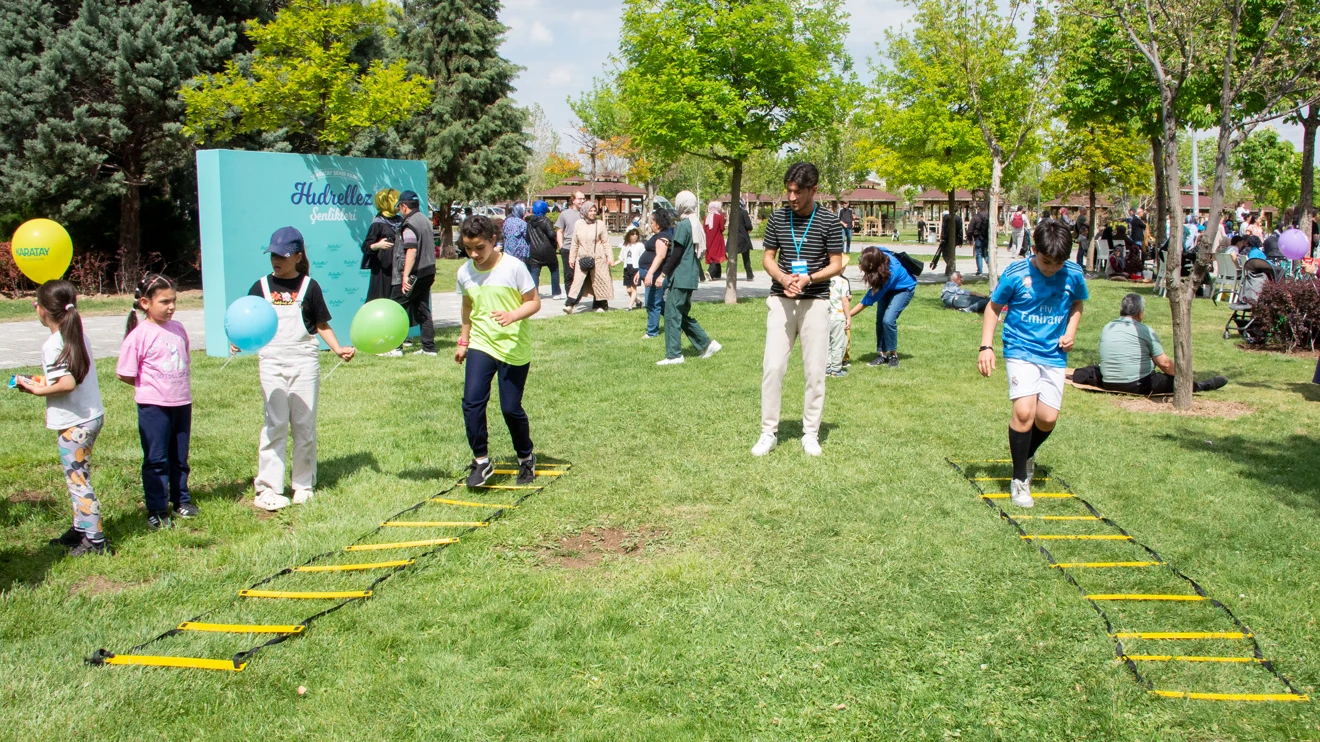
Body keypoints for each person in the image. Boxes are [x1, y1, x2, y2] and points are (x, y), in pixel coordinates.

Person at [241, 227, 356, 511]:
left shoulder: (310, 287)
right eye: (273, 255)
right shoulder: (260, 287)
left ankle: (303, 485)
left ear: (298, 257)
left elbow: (320, 325)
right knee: (275, 423)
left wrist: (338, 348)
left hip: (304, 360)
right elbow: (248, 322)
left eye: (283, 255)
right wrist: (238, 341)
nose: (276, 260)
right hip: (271, 361)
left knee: (304, 424)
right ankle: (268, 488)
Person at [978, 220, 1088, 508]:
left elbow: (1077, 304)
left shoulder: (1074, 274)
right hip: (1020, 349)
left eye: (1058, 263)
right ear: (1035, 249)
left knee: (1047, 419)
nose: (1052, 268)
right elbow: (993, 307)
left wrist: (1071, 332)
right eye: (1046, 261)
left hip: (1053, 353)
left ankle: (1025, 453)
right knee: (1024, 411)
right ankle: (1019, 480)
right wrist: (986, 346)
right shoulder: (1016, 273)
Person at [753, 162, 844, 457]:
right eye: (788, 190)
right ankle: (768, 433)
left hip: (815, 301)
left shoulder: (829, 222)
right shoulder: (778, 218)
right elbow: (768, 258)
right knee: (773, 367)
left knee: (815, 372)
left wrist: (809, 278)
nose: (791, 197)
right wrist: (782, 277)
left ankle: (810, 433)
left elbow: (837, 263)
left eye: (798, 192)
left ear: (813, 190)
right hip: (781, 300)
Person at [16, 280, 107, 556]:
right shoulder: (77, 336)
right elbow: (71, 376)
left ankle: (95, 540)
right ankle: (80, 529)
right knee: (78, 475)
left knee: (78, 480)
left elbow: (66, 383)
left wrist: (36, 389)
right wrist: (44, 381)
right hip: (90, 417)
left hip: (73, 423)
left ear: (40, 310)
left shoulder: (54, 344)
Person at [455, 214, 542, 487]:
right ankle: (481, 461)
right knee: (471, 403)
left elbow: (534, 302)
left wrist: (513, 315)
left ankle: (526, 457)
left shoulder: (513, 267)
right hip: (482, 343)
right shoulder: (464, 272)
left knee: (510, 408)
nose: (473, 254)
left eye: (479, 247)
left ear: (494, 240)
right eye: (468, 248)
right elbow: (468, 306)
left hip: (513, 345)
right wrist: (463, 340)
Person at [117, 274, 195, 529]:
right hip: (153, 407)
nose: (171, 306)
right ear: (145, 303)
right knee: (156, 458)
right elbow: (126, 373)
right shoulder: (140, 335)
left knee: (179, 457)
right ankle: (157, 508)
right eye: (164, 301)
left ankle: (181, 500)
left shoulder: (178, 328)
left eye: (174, 300)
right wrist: (152, 388)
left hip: (181, 403)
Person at [1079, 293, 1227, 396]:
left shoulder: (1107, 327)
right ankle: (1201, 386)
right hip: (1137, 384)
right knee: (1171, 380)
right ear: (1140, 312)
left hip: (1109, 382)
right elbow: (1164, 364)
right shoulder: (1145, 331)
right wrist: (1184, 376)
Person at [656, 191, 721, 365]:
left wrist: (663, 274)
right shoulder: (696, 224)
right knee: (681, 314)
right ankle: (707, 344)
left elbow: (676, 254)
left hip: (681, 275)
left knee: (671, 314)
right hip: (690, 275)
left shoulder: (684, 225)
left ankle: (674, 355)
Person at [850, 245, 917, 367]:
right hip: (888, 287)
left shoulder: (891, 271)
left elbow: (867, 300)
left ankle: (893, 356)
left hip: (904, 289)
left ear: (872, 264)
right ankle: (882, 355)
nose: (861, 264)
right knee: (880, 320)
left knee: (888, 320)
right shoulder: (879, 254)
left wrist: (848, 315)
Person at [389, 190, 437, 357]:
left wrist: (404, 277)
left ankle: (395, 347)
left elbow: (411, 250)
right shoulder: (424, 219)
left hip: (414, 274)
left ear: (404, 206)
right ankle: (429, 347)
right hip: (428, 271)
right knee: (423, 308)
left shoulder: (409, 223)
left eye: (399, 207)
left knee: (396, 308)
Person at [564, 201, 616, 313]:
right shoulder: (579, 224)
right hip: (582, 257)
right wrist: (571, 258)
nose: (592, 213)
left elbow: (606, 242)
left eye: (594, 211)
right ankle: (569, 305)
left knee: (599, 281)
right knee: (577, 281)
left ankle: (601, 305)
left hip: (598, 258)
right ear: (584, 211)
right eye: (590, 211)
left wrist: (610, 257)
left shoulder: (600, 224)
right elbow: (575, 242)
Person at [361, 188, 401, 301]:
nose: (399, 206)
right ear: (388, 203)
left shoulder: (400, 220)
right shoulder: (378, 223)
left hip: (398, 267)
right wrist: (377, 245)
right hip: (383, 270)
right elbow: (366, 247)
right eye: (396, 203)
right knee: (382, 298)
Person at [640, 210, 673, 338]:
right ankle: (678, 321)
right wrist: (640, 272)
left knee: (652, 302)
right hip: (651, 273)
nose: (650, 225)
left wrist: (649, 274)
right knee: (658, 303)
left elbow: (660, 256)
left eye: (652, 222)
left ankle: (652, 332)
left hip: (657, 275)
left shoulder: (663, 237)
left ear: (658, 224)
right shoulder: (658, 235)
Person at [525, 200, 561, 298]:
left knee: (535, 273)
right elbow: (551, 234)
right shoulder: (546, 221)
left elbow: (527, 237)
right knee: (554, 270)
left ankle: (535, 293)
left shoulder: (529, 223)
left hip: (534, 251)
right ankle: (556, 292)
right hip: (548, 250)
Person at [826, 255, 852, 377]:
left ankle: (826, 368)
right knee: (838, 343)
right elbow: (845, 301)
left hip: (825, 316)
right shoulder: (843, 282)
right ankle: (836, 369)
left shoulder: (825, 279)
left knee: (827, 343)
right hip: (838, 316)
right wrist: (848, 317)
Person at [556, 190, 585, 289]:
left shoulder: (586, 214)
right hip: (568, 248)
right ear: (573, 200)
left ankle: (578, 296)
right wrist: (561, 247)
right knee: (569, 275)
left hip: (582, 249)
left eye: (583, 199)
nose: (582, 201)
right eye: (579, 199)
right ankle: (570, 299)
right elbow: (559, 231)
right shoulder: (565, 214)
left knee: (582, 275)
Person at [932, 210, 963, 276]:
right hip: (955, 239)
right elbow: (960, 230)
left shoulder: (946, 217)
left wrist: (942, 237)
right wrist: (960, 241)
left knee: (945, 254)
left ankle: (951, 266)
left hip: (946, 238)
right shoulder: (959, 218)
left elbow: (944, 228)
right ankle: (948, 270)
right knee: (950, 253)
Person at [620, 227, 644, 309]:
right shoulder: (625, 246)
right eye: (632, 234)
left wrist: (640, 269)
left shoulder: (640, 245)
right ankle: (638, 302)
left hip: (636, 268)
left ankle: (629, 306)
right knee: (628, 290)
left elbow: (643, 257)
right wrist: (613, 263)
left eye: (636, 234)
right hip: (627, 268)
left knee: (633, 289)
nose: (635, 236)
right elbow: (621, 257)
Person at [704, 200, 727, 280]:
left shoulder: (706, 217)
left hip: (708, 239)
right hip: (717, 238)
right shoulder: (719, 217)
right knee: (717, 254)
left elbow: (705, 228)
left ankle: (717, 274)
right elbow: (722, 228)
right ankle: (710, 271)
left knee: (712, 253)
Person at [735, 202, 755, 280]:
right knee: (746, 258)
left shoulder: (733, 213)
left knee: (732, 258)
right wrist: (749, 229)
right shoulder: (744, 212)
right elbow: (748, 225)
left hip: (734, 237)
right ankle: (749, 275)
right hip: (743, 237)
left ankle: (730, 274)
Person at [969, 205, 989, 275]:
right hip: (987, 238)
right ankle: (990, 266)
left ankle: (979, 270)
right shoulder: (989, 216)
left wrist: (970, 239)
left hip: (978, 238)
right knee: (986, 254)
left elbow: (970, 229)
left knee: (978, 254)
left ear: (978, 208)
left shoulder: (975, 217)